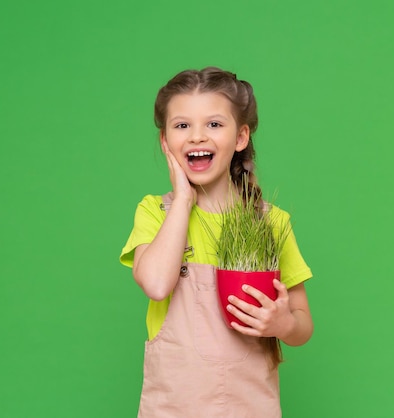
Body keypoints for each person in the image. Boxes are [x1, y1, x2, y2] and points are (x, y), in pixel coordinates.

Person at [120, 67, 313, 417]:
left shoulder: (271, 222)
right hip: (173, 408)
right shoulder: (155, 212)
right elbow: (157, 284)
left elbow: (303, 325)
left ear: (240, 137)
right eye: (181, 126)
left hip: (250, 406)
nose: (196, 137)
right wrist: (182, 201)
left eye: (213, 124)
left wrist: (283, 324)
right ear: (165, 142)